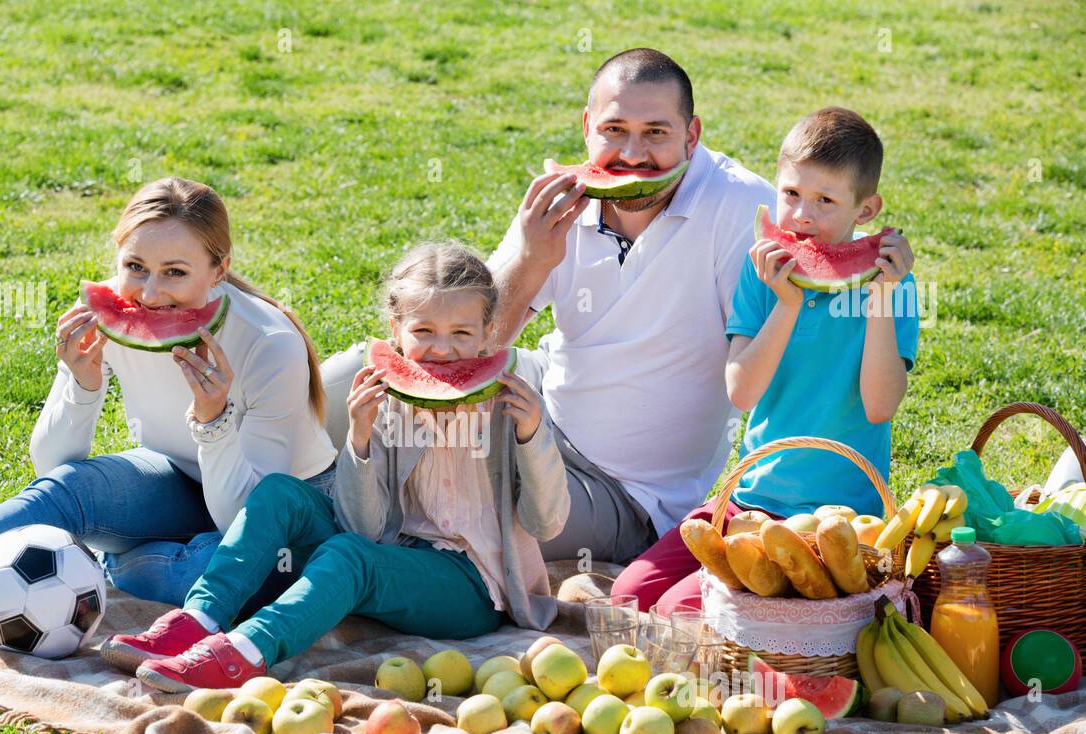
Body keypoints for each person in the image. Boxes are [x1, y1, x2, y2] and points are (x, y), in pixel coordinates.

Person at [0, 177, 336, 667]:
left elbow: (241, 520)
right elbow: (51, 465)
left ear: (219, 269)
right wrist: (83, 383)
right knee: (68, 488)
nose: (149, 294)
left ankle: (110, 565)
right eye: (135, 266)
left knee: (215, 565)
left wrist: (213, 420)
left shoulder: (269, 345)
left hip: (281, 520)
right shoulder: (101, 316)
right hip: (178, 477)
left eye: (175, 273)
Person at [99, 242, 569, 692]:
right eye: (423, 331)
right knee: (282, 492)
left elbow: (546, 522)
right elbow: (363, 525)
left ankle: (244, 652)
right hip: (389, 550)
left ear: (489, 332)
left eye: (461, 334)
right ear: (396, 329)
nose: (442, 350)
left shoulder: (512, 408)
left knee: (348, 560)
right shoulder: (388, 402)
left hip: (473, 586)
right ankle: (198, 620)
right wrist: (360, 442)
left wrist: (533, 438)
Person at [612, 106, 919, 614]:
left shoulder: (893, 283)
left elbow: (880, 405)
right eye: (791, 194)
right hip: (749, 499)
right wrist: (789, 304)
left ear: (866, 210)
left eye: (825, 200)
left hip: (836, 521)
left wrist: (883, 299)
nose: (801, 215)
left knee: (680, 612)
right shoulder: (762, 271)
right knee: (627, 595)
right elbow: (742, 391)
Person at [485, 47, 775, 565]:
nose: (634, 156)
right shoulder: (559, 202)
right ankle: (301, 502)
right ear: (587, 127)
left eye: (656, 133)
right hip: (542, 410)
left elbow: (777, 365)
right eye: (614, 129)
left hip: (629, 495)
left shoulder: (742, 210)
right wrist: (531, 259)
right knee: (363, 373)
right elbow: (477, 344)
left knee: (478, 522)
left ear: (692, 135)